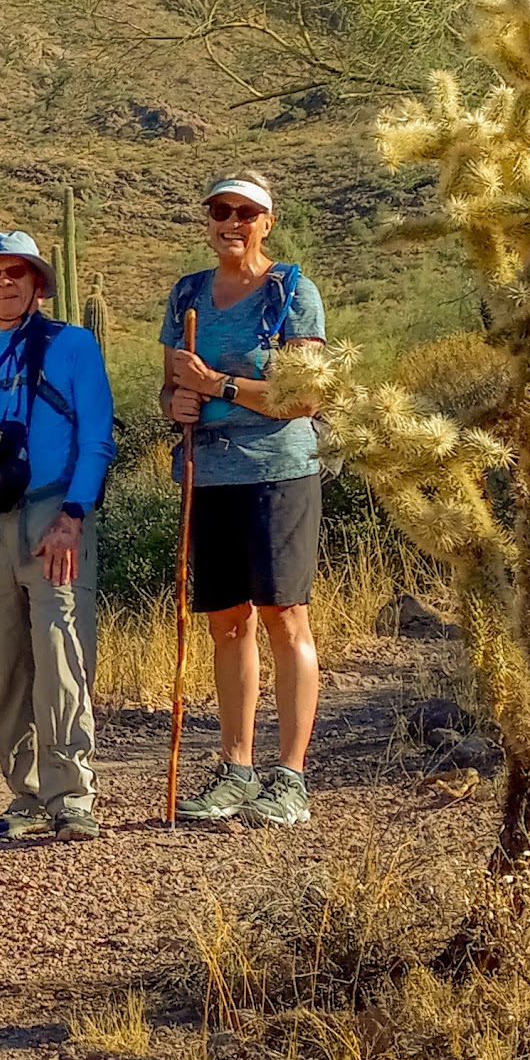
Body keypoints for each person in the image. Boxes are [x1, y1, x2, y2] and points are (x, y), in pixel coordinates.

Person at [162, 173, 328, 828]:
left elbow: (304, 398)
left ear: (267, 220)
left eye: (245, 211)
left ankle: (289, 777)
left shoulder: (291, 291)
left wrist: (218, 387)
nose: (230, 221)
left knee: (284, 614)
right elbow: (170, 389)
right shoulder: (186, 295)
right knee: (226, 621)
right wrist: (177, 401)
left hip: (279, 471)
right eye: (219, 210)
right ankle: (236, 768)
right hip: (210, 474)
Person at [0, 230, 115, 842]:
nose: (5, 283)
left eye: (17, 273)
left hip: (51, 519)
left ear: (39, 283)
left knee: (60, 653)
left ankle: (72, 792)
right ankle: (27, 794)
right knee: (2, 662)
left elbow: (97, 437)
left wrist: (73, 516)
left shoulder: (73, 345)